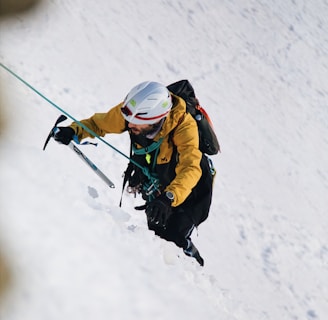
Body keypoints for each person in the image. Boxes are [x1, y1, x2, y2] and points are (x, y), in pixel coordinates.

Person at [53, 81, 213, 266]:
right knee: (156, 236)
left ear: (156, 120)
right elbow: (99, 124)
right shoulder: (131, 113)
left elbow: (190, 168)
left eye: (137, 124)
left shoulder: (185, 127)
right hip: (160, 181)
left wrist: (169, 197)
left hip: (194, 189)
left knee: (173, 236)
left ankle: (194, 269)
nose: (130, 126)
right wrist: (73, 131)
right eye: (129, 122)